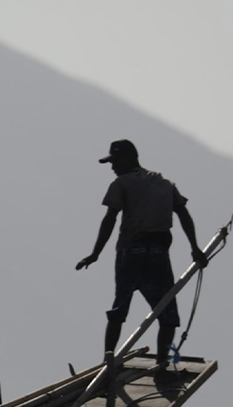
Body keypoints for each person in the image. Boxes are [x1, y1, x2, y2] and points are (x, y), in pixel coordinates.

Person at [74, 139, 208, 367]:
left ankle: (108, 360)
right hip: (157, 253)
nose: (113, 167)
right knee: (167, 314)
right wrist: (194, 248)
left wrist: (95, 253)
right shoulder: (165, 184)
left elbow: (110, 219)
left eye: (115, 162)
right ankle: (162, 365)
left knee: (120, 307)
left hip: (131, 252)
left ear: (130, 159)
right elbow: (184, 215)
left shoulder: (122, 184)